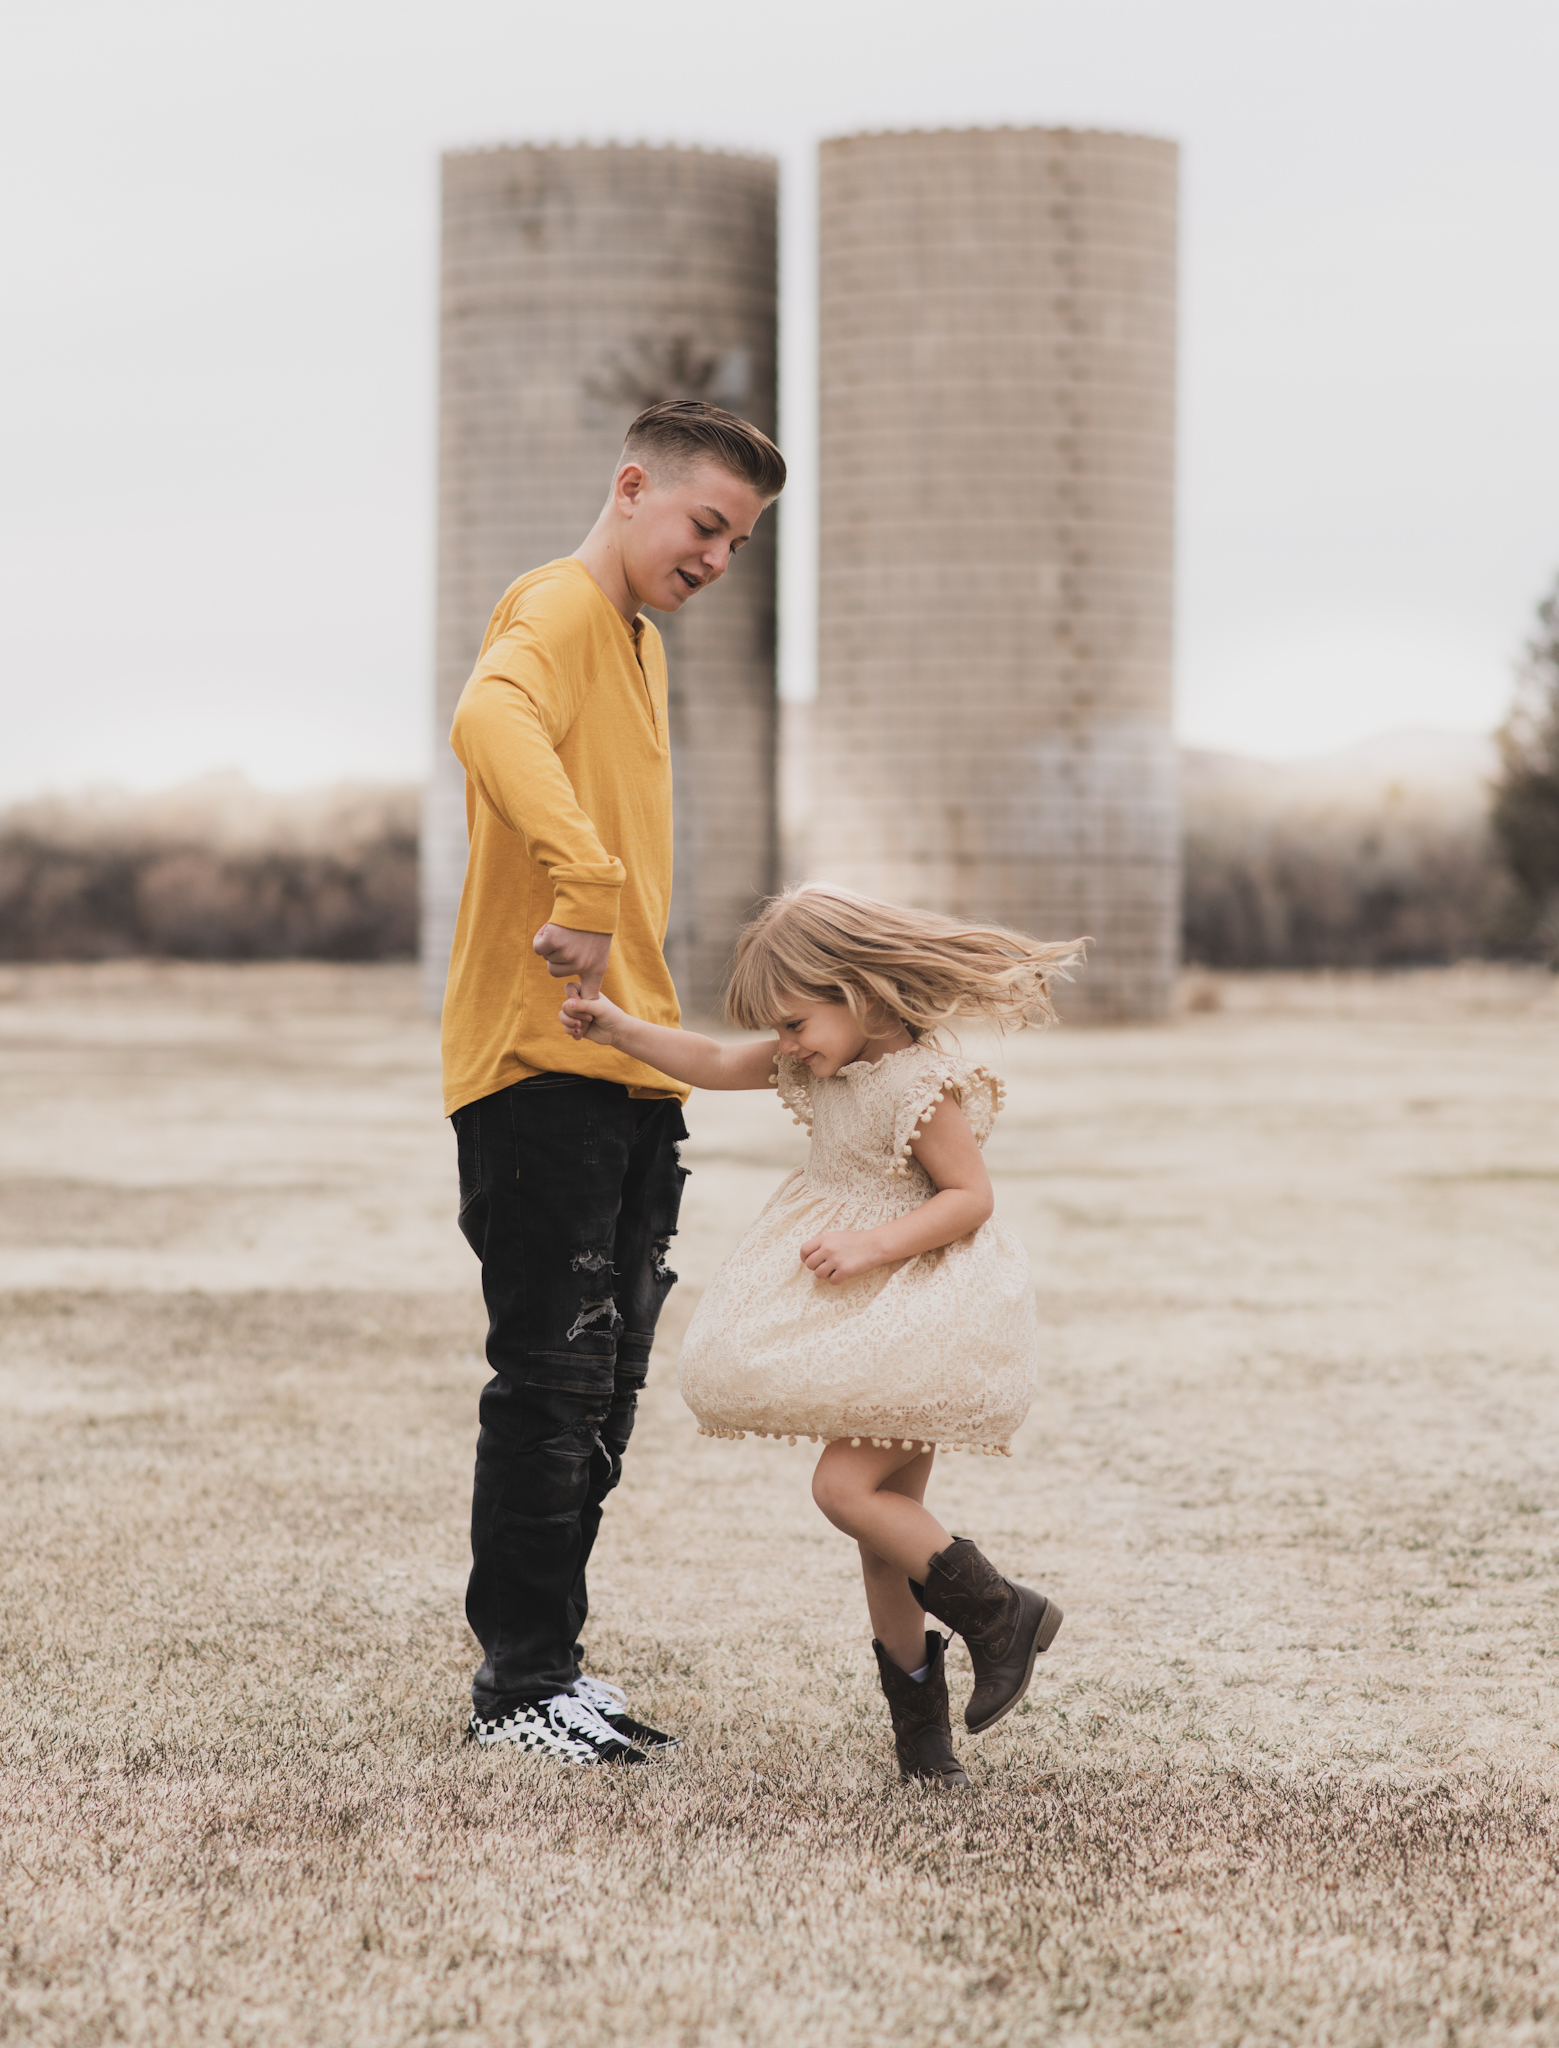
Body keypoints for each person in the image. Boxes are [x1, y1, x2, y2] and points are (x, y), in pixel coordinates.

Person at [560, 884, 1084, 1789]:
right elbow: (716, 1060)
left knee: (844, 1489)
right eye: (784, 1031)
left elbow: (970, 1198)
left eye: (798, 1022)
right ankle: (922, 1746)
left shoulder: (919, 1085)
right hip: (865, 1310)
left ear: (862, 993)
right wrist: (617, 1028)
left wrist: (873, 1241)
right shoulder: (821, 1063)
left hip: (916, 1305)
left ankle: (1003, 1614)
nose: (789, 1044)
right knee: (883, 1540)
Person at [441, 399, 786, 1766]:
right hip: (536, 1073)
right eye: (705, 525)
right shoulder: (556, 611)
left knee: (602, 1388)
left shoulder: (637, 645)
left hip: (625, 1074)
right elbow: (486, 716)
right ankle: (514, 1694)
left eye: (739, 544)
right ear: (633, 486)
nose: (715, 558)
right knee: (549, 1379)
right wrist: (581, 884)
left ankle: (550, 1667)